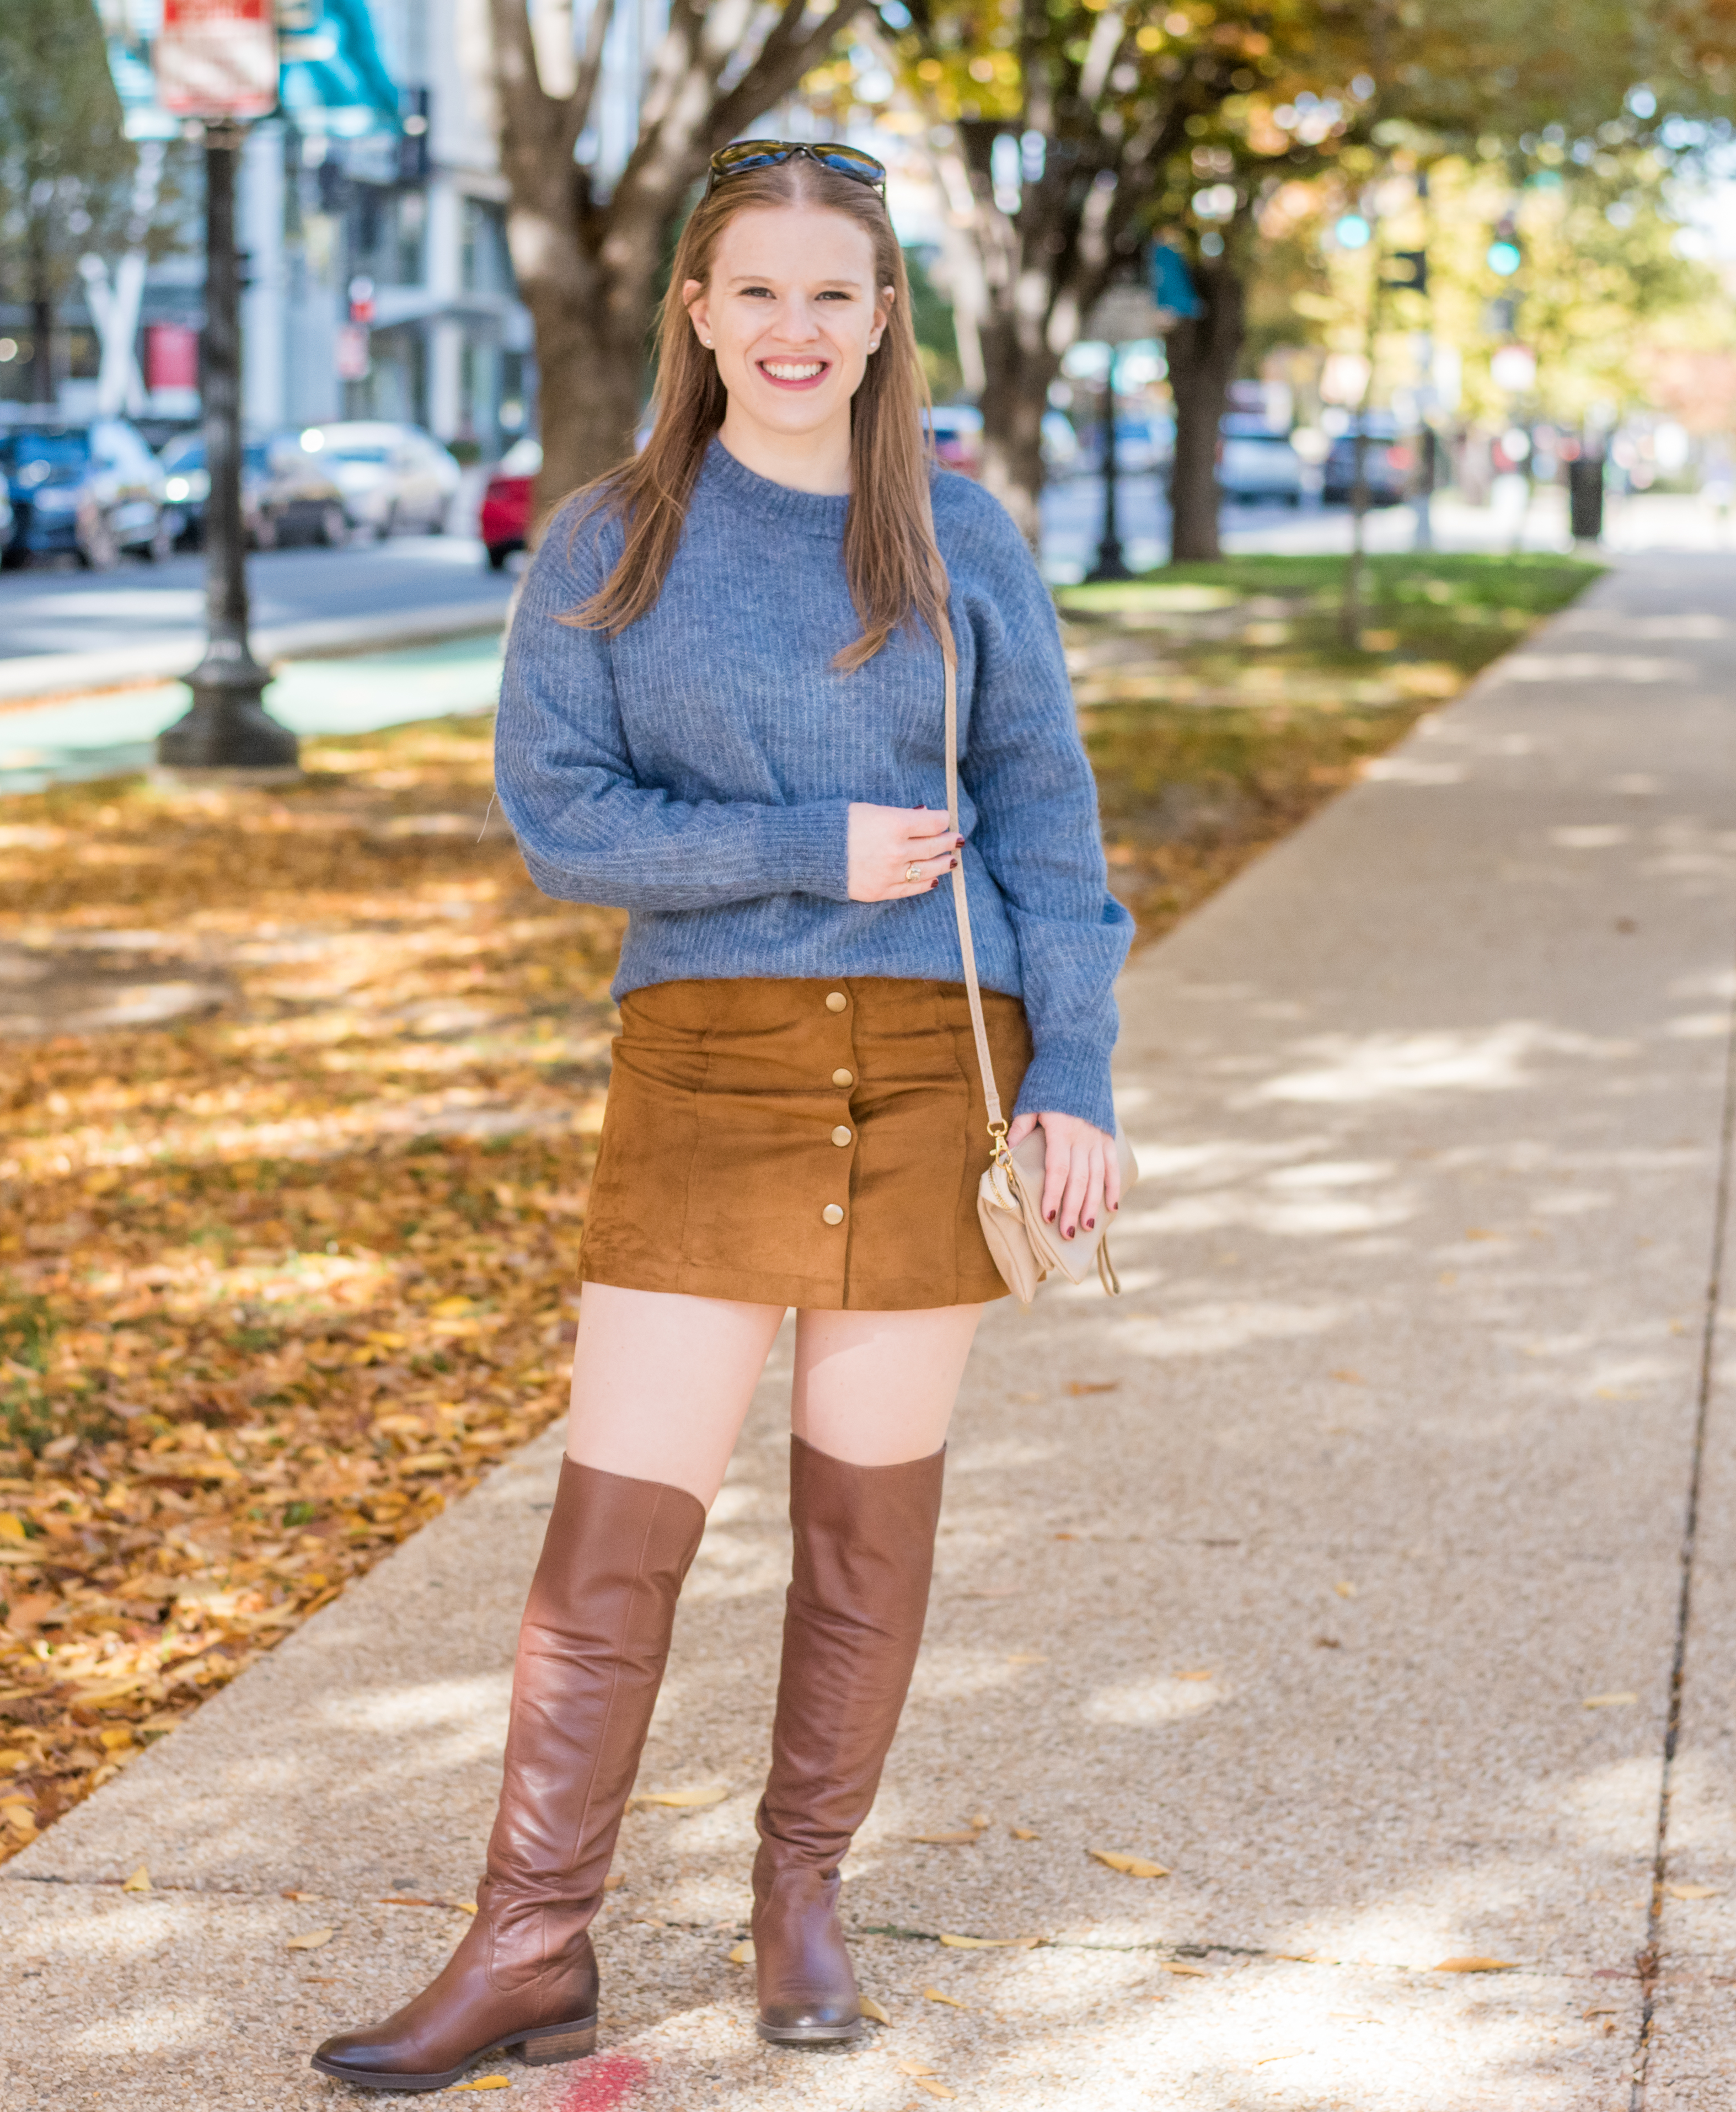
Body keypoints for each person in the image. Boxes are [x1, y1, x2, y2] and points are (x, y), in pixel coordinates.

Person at [305, 138, 1131, 2092]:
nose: (792, 327)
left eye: (830, 293)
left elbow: (1045, 815)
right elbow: (560, 814)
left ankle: (800, 1896)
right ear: (695, 308)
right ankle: (526, 1942)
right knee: (617, 1527)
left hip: (944, 1055)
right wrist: (804, 843)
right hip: (709, 1063)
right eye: (753, 289)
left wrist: (1076, 1072)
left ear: (879, 319)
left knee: (863, 1522)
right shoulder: (606, 537)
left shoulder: (959, 535)